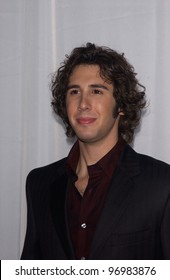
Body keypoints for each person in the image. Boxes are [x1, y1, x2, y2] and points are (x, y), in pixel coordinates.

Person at [21, 43, 170, 260]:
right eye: (74, 92)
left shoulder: (162, 184)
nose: (83, 103)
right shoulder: (39, 183)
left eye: (97, 91)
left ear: (120, 105)